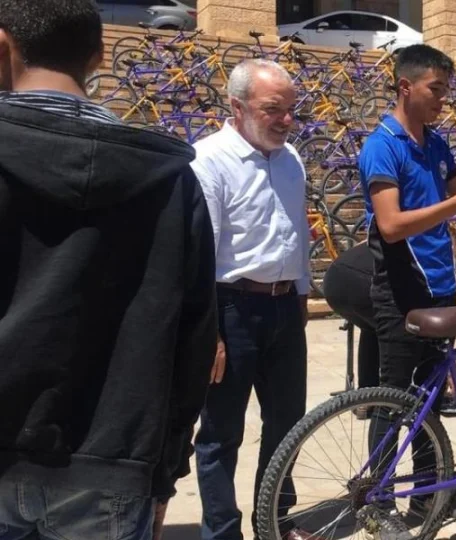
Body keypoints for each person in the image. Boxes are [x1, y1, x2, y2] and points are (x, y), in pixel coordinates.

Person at [0, 0, 216, 537]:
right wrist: (165, 470)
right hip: (114, 466)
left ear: (3, 46)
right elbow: (194, 339)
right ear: (99, 56)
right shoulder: (170, 181)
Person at [356, 43, 456, 515]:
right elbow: (390, 225)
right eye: (435, 89)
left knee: (429, 401)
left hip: (441, 286)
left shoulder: (436, 143)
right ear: (405, 87)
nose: (444, 99)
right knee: (394, 401)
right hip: (401, 292)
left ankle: (424, 500)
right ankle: (378, 503)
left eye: (447, 90)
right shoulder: (382, 146)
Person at [189, 59, 318, 540]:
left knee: (287, 423)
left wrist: (301, 294)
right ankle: (222, 531)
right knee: (222, 432)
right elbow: (199, 252)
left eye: (291, 110)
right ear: (237, 107)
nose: (286, 120)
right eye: (273, 109)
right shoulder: (208, 161)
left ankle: (275, 522)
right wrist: (210, 333)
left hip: (284, 306)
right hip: (230, 309)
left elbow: (297, 231)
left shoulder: (291, 159)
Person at [322, 243, 380, 389]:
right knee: (404, 336)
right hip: (363, 280)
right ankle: (392, 396)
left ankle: (367, 393)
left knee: (373, 329)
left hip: (335, 276)